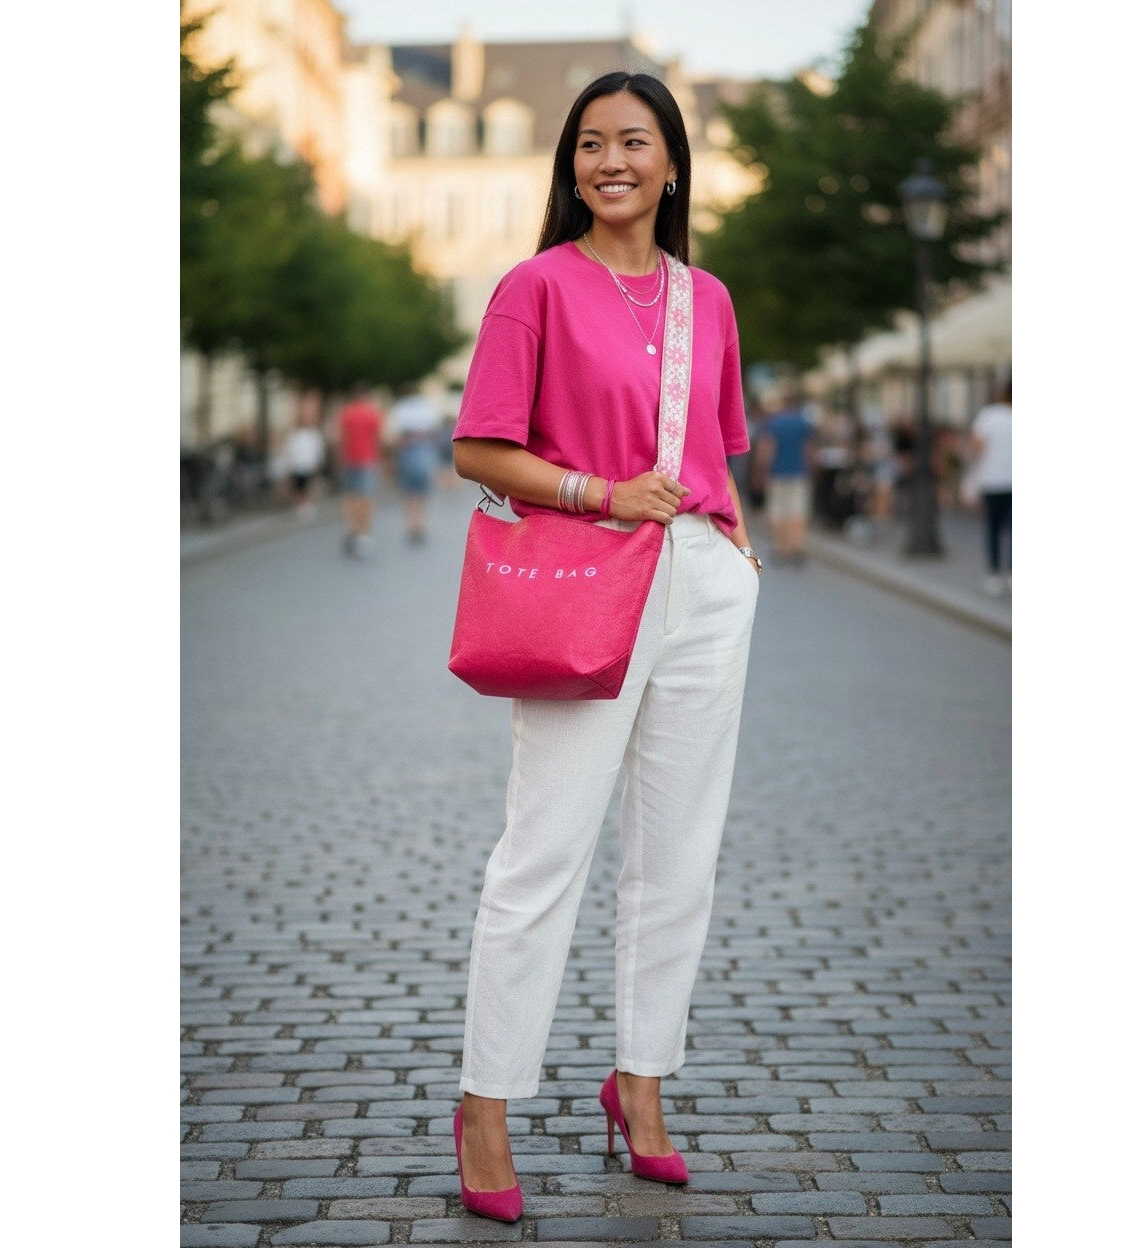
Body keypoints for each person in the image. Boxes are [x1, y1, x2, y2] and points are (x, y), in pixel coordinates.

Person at [449, 71, 761, 1223]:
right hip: (586, 581)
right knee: (544, 855)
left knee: (678, 857)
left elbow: (716, 451)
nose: (611, 161)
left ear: (673, 163)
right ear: (569, 165)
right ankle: (487, 1103)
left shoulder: (709, 300)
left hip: (703, 585)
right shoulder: (535, 287)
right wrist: (598, 490)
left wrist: (732, 549)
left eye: (635, 142)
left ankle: (641, 1083)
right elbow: (482, 449)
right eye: (590, 144)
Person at [755, 385, 816, 564]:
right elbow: (809, 450)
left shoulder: (774, 423)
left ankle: (780, 548)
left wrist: (761, 471)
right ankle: (796, 546)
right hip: (799, 472)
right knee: (797, 510)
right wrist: (811, 468)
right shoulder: (802, 423)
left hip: (777, 473)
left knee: (778, 511)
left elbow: (767, 450)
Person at [969, 378, 1012, 595]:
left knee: (993, 529)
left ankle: (994, 575)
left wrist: (973, 475)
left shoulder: (989, 416)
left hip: (993, 480)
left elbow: (977, 448)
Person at [390, 382, 444, 542]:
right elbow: (434, 430)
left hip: (407, 450)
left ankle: (411, 523)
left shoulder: (401, 407)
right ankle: (420, 523)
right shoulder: (426, 407)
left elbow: (395, 434)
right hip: (425, 449)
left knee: (409, 490)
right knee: (421, 490)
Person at [335, 383, 383, 558]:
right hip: (367, 460)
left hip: (349, 460)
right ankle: (363, 534)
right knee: (366, 498)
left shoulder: (346, 413)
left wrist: (339, 459)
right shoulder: (372, 413)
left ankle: (351, 530)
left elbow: (340, 439)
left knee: (349, 497)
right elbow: (378, 438)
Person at [283, 396, 326, 520]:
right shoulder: (294, 434)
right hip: (297, 465)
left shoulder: (314, 434)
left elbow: (318, 449)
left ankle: (307, 506)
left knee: (308, 486)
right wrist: (289, 463)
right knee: (299, 486)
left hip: (309, 464)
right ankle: (302, 506)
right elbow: (290, 449)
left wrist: (318, 462)